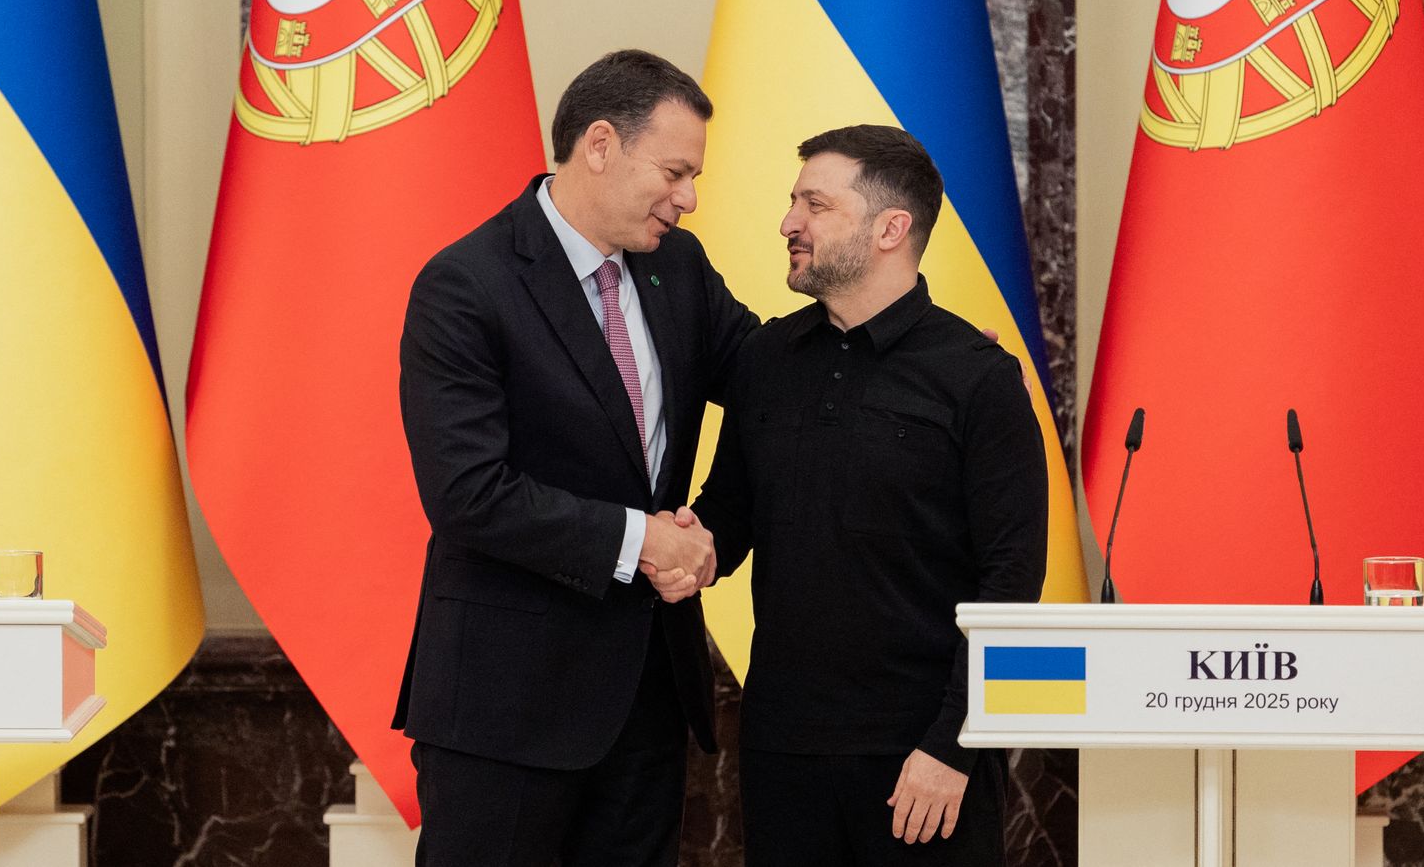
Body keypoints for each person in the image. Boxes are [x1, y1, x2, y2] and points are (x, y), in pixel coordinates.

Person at [394, 49, 756, 867]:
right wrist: (643, 541)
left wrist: (925, 358)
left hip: (648, 701)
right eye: (674, 171)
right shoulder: (466, 284)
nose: (689, 198)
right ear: (600, 144)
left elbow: (770, 376)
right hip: (505, 711)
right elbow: (468, 493)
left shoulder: (680, 269)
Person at [688, 125, 1048, 867]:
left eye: (814, 204)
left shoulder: (979, 376)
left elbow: (1012, 581)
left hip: (922, 762)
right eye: (793, 202)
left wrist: (952, 746)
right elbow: (729, 514)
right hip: (781, 751)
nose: (789, 221)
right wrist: (672, 546)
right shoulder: (766, 358)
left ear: (892, 228)